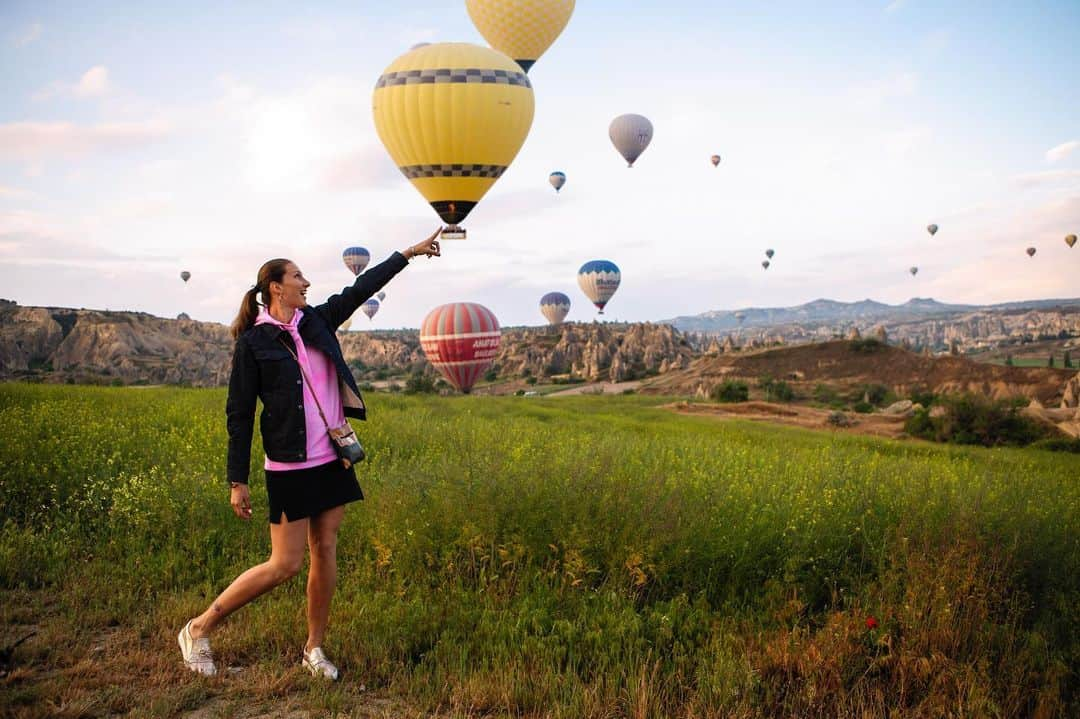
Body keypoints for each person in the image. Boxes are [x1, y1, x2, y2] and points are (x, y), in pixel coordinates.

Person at [178, 229, 441, 680]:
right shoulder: (253, 344)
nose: (307, 283)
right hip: (289, 466)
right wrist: (236, 480)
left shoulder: (317, 321)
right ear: (275, 287)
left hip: (331, 458)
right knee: (285, 564)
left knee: (327, 551)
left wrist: (408, 253)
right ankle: (199, 627)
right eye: (298, 276)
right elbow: (239, 414)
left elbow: (362, 288)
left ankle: (314, 649)